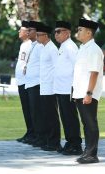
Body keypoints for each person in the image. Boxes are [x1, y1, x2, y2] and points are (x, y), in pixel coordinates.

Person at [73, 18, 103, 164]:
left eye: (80, 30)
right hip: (80, 92)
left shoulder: (94, 50)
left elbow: (94, 73)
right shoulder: (83, 48)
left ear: (89, 33)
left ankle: (92, 154)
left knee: (90, 123)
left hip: (88, 93)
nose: (77, 32)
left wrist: (89, 93)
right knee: (86, 123)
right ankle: (87, 151)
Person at [53, 20, 82, 155]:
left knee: (70, 116)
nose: (56, 35)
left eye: (59, 32)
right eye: (55, 32)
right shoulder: (63, 46)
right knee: (64, 117)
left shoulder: (70, 47)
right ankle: (69, 142)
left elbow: (78, 67)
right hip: (60, 88)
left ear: (67, 33)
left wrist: (75, 86)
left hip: (68, 88)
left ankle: (76, 144)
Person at [36, 22, 62, 151]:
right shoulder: (44, 48)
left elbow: (57, 67)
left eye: (39, 35)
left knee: (52, 116)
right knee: (46, 115)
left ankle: (54, 142)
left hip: (51, 87)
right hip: (44, 86)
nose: (37, 37)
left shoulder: (52, 48)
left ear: (46, 35)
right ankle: (48, 140)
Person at [24, 21, 42, 146]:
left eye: (30, 30)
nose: (28, 32)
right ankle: (36, 135)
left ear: (36, 32)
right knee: (33, 112)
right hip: (30, 83)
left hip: (37, 83)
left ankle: (40, 136)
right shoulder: (33, 45)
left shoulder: (40, 46)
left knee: (38, 113)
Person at [15, 21, 34, 143]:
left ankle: (33, 132)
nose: (18, 31)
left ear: (27, 32)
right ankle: (29, 131)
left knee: (30, 109)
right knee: (26, 109)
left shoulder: (30, 45)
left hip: (26, 81)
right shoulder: (24, 45)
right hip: (21, 81)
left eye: (21, 30)